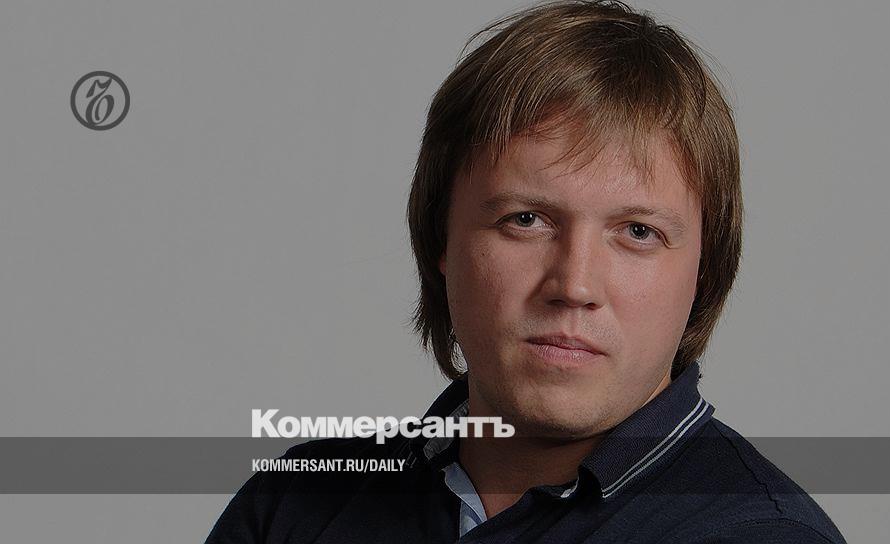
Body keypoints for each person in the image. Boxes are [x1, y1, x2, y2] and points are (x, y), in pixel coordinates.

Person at [207, 1, 847, 542]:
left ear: (704, 272)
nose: (574, 285)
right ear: (441, 238)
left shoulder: (757, 534)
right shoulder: (293, 507)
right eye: (526, 220)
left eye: (638, 232)